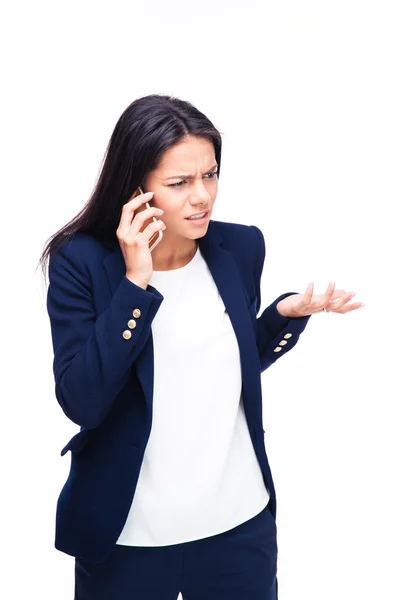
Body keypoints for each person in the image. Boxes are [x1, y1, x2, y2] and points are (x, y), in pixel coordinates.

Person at [39, 94, 364, 600]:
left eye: (210, 175)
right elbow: (82, 400)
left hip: (237, 527)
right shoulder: (79, 262)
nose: (202, 197)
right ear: (135, 190)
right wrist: (135, 286)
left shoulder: (241, 246)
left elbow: (223, 366)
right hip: (127, 537)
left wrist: (283, 316)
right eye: (179, 183)